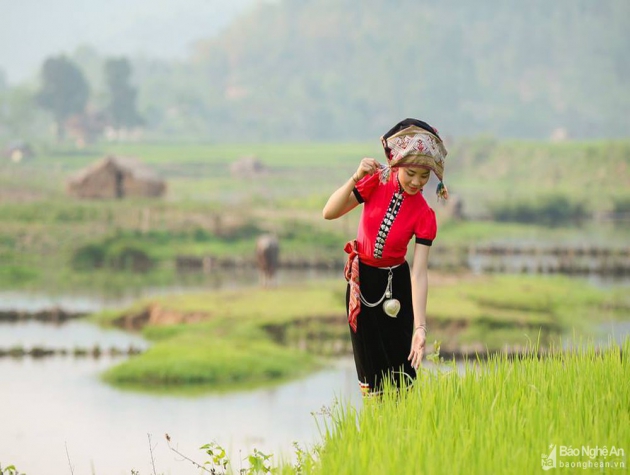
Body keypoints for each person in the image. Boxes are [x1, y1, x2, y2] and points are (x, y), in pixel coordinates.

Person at [322, 118, 448, 396]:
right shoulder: (374, 183)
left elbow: (419, 272)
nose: (417, 182)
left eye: (424, 176)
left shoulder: (425, 214)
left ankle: (404, 432)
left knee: (401, 376)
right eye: (411, 173)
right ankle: (377, 432)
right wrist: (355, 177)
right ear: (397, 164)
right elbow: (328, 212)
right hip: (363, 284)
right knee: (371, 376)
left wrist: (421, 327)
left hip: (397, 288)